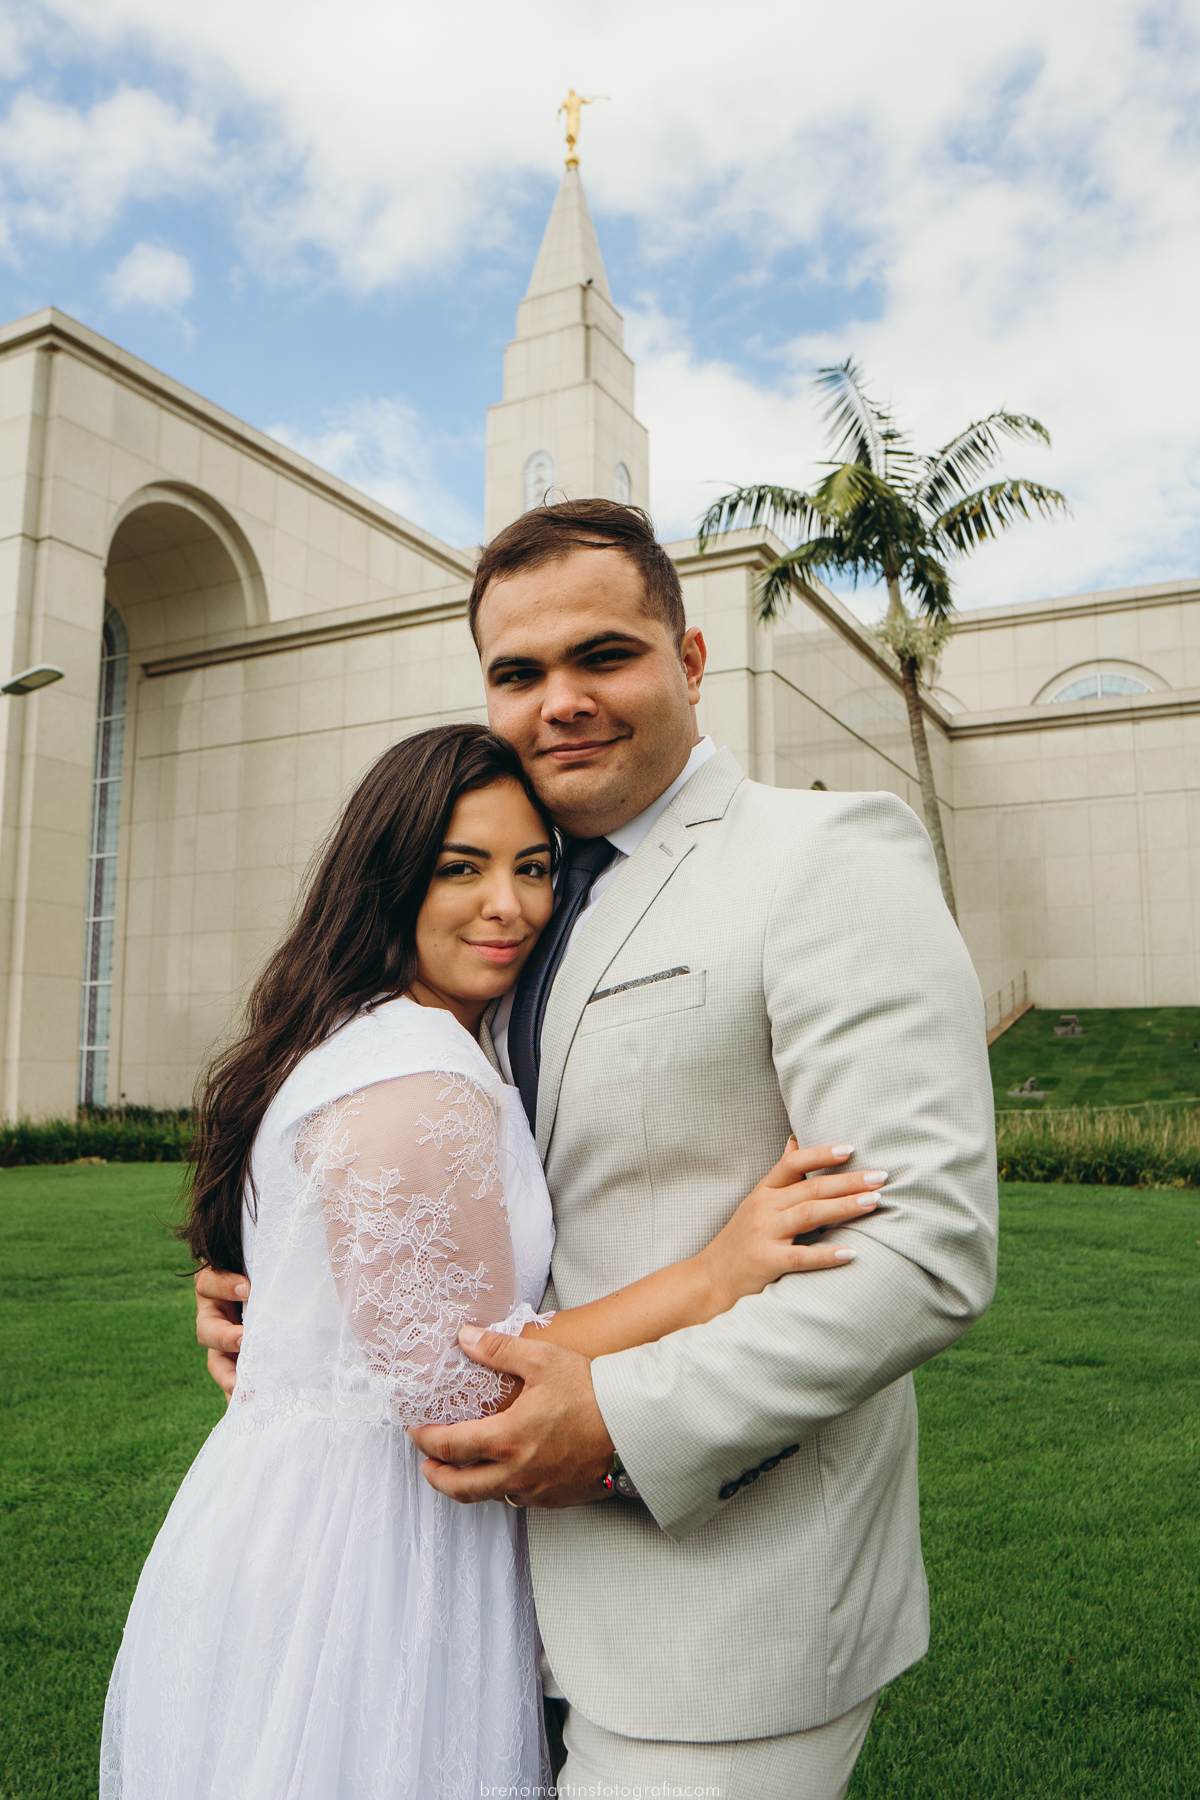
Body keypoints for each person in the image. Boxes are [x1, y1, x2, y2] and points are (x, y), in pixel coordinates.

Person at [199, 500, 997, 1800]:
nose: (560, 700)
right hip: (463, 1607)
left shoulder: (822, 859)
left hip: (719, 1619)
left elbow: (925, 1251)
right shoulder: (498, 904)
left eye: (605, 656)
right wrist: (292, 1304)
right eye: (519, 672)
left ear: (689, 660)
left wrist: (624, 1426)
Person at [104, 721, 885, 1800]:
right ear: (388, 878)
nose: (509, 907)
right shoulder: (416, 1077)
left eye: (532, 868)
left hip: (301, 1520)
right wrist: (715, 1275)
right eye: (460, 869)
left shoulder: (370, 1032)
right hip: (370, 1555)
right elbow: (469, 1389)